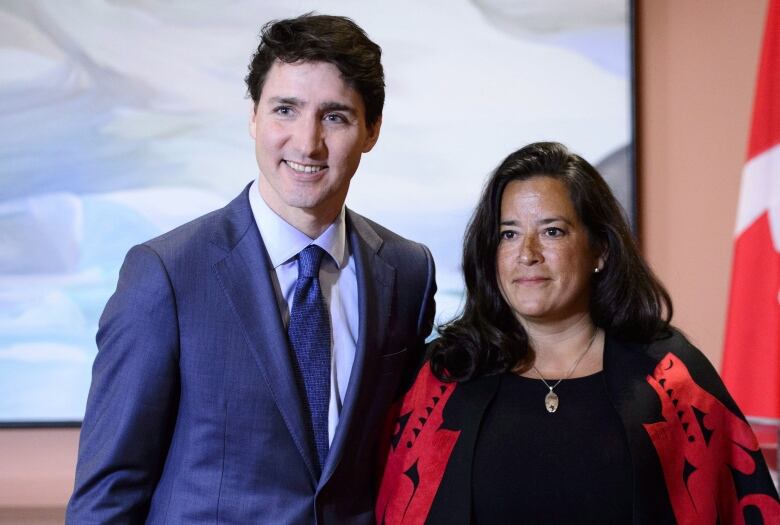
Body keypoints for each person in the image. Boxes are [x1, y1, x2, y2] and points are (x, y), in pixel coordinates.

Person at [67, 13, 436, 524]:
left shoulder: (407, 272)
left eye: (335, 117)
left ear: (372, 130)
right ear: (254, 118)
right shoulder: (167, 275)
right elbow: (107, 494)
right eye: (286, 109)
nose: (307, 143)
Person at [376, 142, 779, 524]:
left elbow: (744, 507)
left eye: (552, 231)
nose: (527, 253)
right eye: (509, 234)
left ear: (600, 250)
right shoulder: (444, 374)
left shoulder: (672, 378)